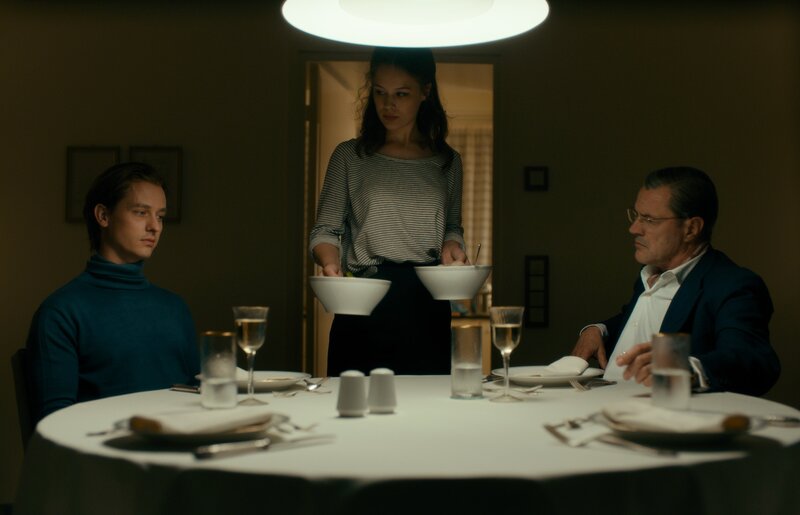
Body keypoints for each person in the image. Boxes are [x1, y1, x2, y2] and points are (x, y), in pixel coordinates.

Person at [309, 47, 467, 376]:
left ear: (425, 91)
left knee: (427, 404)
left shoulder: (447, 162)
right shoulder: (349, 156)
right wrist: (329, 263)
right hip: (363, 300)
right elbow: (325, 230)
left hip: (426, 305)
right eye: (380, 92)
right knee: (354, 403)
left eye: (401, 94)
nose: (388, 105)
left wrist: (453, 246)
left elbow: (452, 227)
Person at [571, 166, 780, 396]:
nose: (633, 228)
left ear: (691, 229)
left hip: (663, 413)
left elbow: (754, 360)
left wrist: (685, 369)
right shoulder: (649, 273)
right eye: (636, 215)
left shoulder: (733, 285)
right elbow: (643, 320)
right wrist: (599, 330)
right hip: (602, 401)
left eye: (649, 219)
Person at [26, 162, 199, 422]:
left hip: (181, 443)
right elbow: (55, 421)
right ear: (103, 216)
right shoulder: (61, 312)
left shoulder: (175, 308)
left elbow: (198, 394)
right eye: (141, 212)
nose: (155, 226)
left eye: (160, 216)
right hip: (103, 445)